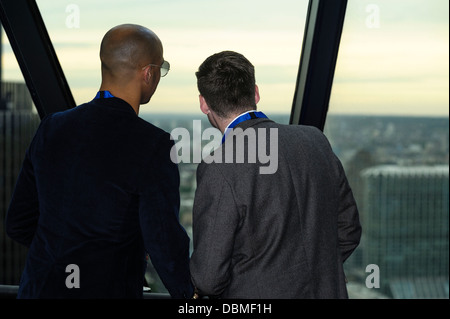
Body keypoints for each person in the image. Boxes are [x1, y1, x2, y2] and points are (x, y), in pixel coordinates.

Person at [5, 24, 194, 299]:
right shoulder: (153, 145)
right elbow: (164, 245)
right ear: (149, 73)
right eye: (161, 69)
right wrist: (193, 297)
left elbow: (18, 223)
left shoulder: (51, 128)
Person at [190, 51, 362, 299]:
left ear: (204, 103)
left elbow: (208, 278)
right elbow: (348, 230)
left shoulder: (220, 165)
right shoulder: (314, 140)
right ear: (256, 93)